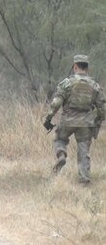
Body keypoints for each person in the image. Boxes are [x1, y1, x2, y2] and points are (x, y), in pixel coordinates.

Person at [44, 55, 105, 184]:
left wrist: (48, 117)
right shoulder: (94, 86)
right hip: (85, 123)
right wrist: (97, 121)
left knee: (60, 139)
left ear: (75, 67)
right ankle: (84, 179)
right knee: (84, 150)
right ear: (87, 68)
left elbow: (56, 103)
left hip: (67, 121)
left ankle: (61, 154)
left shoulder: (67, 83)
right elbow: (103, 108)